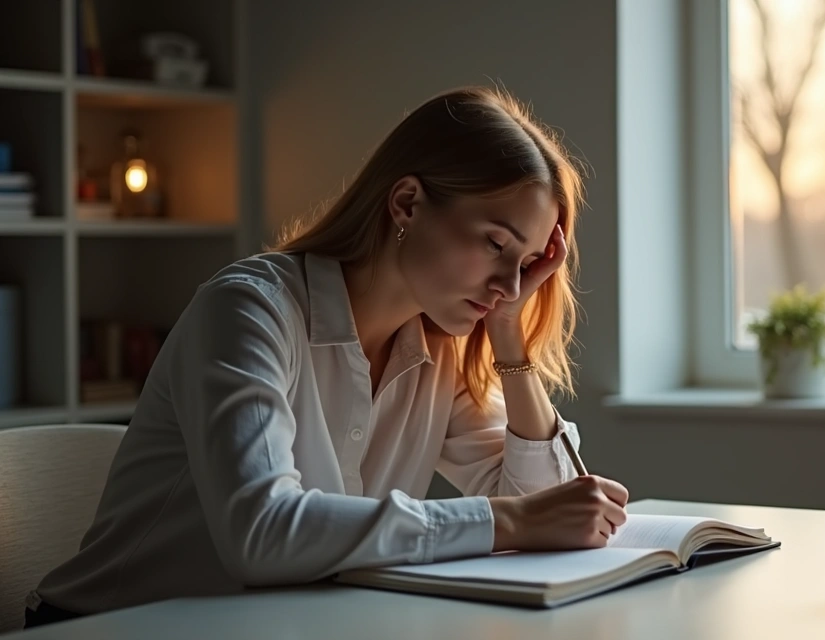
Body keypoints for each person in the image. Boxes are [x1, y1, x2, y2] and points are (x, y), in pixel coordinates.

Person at [26, 86, 628, 629]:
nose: (509, 283)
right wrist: (510, 522)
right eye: (495, 243)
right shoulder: (249, 311)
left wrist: (507, 335)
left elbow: (559, 512)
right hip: (109, 628)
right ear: (408, 203)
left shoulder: (437, 344)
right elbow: (261, 533)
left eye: (524, 264)